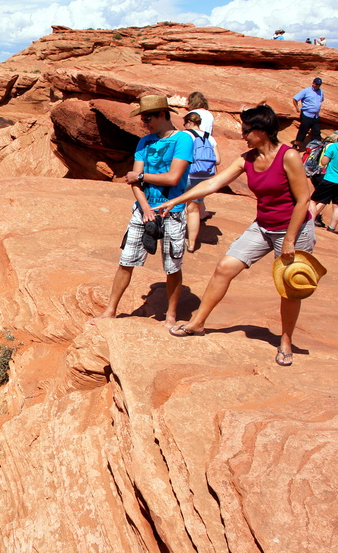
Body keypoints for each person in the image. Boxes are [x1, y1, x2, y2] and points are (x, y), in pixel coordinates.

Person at [158, 104, 316, 367]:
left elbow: (303, 200)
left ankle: (285, 341)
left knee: (289, 288)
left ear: (263, 131)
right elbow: (212, 183)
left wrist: (289, 240)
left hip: (294, 229)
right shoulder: (247, 159)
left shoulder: (288, 156)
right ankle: (198, 323)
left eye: (246, 130)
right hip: (263, 226)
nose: (243, 135)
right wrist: (177, 200)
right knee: (224, 267)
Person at [91, 94, 193, 328]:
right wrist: (145, 207)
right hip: (144, 209)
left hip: (172, 210)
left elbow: (173, 177)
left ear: (162, 114)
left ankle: (170, 316)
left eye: (148, 118)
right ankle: (110, 311)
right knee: (126, 260)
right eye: (142, 118)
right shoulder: (144, 142)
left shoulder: (183, 140)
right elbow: (132, 180)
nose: (144, 123)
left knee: (172, 266)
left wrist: (142, 176)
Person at [182, 111, 221, 252]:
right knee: (193, 211)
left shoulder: (185, 135)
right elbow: (218, 160)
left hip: (186, 176)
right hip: (203, 179)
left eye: (184, 123)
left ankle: (174, 239)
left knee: (175, 207)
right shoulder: (210, 137)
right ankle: (191, 244)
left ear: (189, 122)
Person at [292, 77, 324, 150]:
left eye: (319, 84)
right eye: (316, 84)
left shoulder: (321, 92)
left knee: (317, 132)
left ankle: (315, 148)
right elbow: (295, 99)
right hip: (307, 115)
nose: (317, 86)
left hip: (315, 116)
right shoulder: (306, 91)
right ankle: (295, 145)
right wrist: (297, 108)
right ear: (313, 83)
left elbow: (321, 100)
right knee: (303, 130)